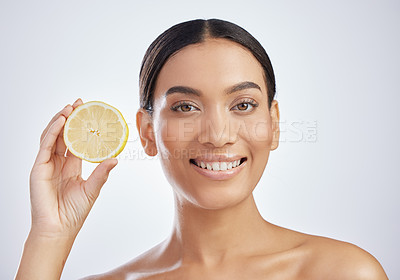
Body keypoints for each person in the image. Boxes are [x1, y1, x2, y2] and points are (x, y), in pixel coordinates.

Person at [16, 19, 388, 280]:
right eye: (185, 107)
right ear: (147, 132)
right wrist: (50, 237)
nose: (218, 135)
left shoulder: (342, 272)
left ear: (273, 123)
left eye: (243, 105)